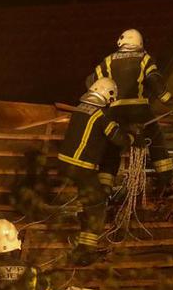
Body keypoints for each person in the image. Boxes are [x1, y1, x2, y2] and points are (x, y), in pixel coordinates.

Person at [87, 29, 173, 193]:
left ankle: (105, 186)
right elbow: (155, 82)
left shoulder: (107, 61)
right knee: (155, 141)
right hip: (140, 110)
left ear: (121, 42)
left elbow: (91, 82)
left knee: (112, 147)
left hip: (114, 112)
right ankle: (166, 181)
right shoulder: (144, 58)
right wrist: (171, 103)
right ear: (140, 44)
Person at [57, 77, 134, 265]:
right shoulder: (101, 116)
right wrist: (133, 137)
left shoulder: (80, 109)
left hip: (65, 163)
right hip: (82, 167)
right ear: (107, 95)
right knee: (97, 207)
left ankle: (83, 218)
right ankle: (85, 251)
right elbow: (118, 140)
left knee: (90, 199)